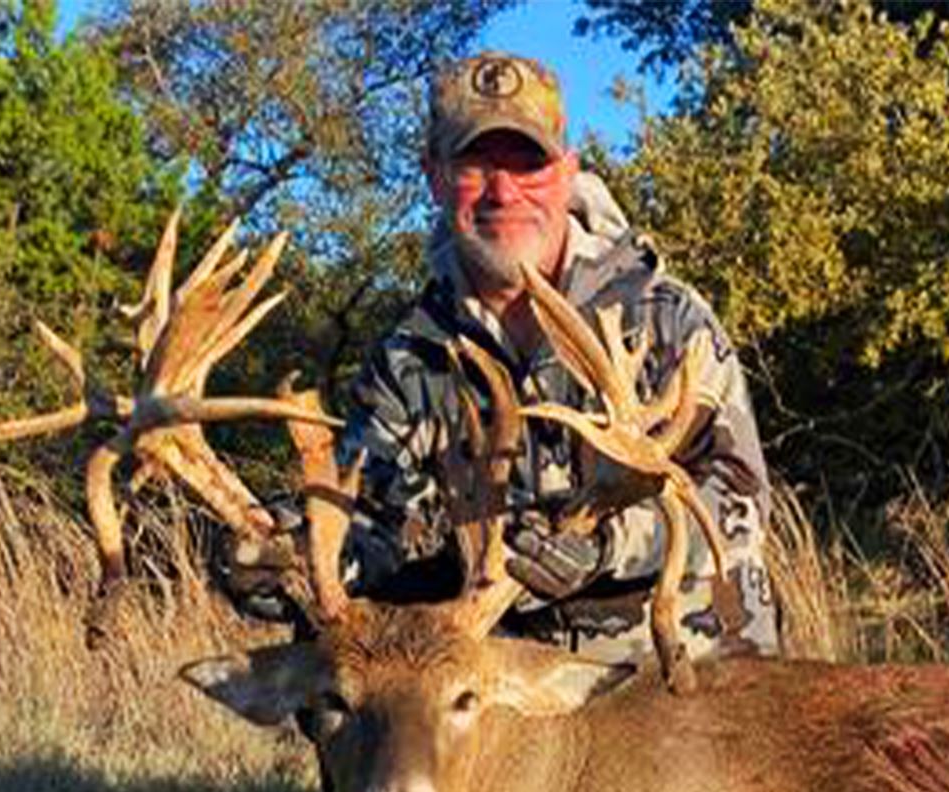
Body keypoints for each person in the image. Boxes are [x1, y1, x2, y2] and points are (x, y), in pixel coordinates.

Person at [234, 51, 779, 667]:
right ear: (434, 176)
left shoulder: (666, 317)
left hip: (680, 654)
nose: (503, 190)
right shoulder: (411, 356)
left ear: (568, 171)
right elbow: (372, 523)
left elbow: (739, 504)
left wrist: (608, 542)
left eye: (529, 163)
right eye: (475, 164)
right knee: (334, 640)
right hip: (511, 672)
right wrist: (294, 550)